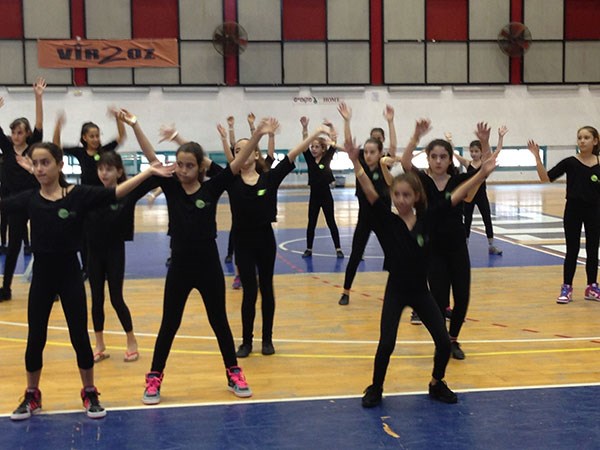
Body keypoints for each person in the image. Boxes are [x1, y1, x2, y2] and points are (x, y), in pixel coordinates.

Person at [5, 142, 173, 421]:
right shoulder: (29, 199)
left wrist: (147, 172)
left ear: (60, 165)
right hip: (42, 279)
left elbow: (115, 192)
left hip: (70, 275)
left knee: (80, 337)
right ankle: (32, 394)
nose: (40, 168)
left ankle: (90, 391)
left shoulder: (78, 195)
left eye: (45, 162)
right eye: (35, 164)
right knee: (35, 338)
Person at [120, 110, 274, 404]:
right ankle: (154, 377)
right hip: (180, 266)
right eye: (179, 164)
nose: (183, 170)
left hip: (208, 266)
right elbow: (151, 157)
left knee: (219, 322)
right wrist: (136, 124)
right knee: (169, 323)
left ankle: (233, 373)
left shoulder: (212, 187)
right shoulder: (170, 185)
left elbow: (237, 163)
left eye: (189, 165)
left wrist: (257, 135)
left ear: (200, 166)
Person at [344, 135, 498, 408]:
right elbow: (368, 189)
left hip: (420, 292)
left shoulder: (428, 219)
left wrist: (481, 174)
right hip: (396, 291)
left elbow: (456, 196)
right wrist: (355, 162)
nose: (401, 199)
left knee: (443, 342)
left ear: (416, 197)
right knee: (386, 343)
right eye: (397, 195)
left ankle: (437, 382)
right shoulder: (386, 219)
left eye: (406, 195)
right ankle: (376, 386)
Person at [229, 122, 331, 358]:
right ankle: (246, 342)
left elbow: (293, 153)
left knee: (267, 289)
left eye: (246, 149)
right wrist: (177, 138)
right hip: (242, 241)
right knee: (249, 292)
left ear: (256, 154)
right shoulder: (230, 180)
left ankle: (267, 339)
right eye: (237, 151)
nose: (241, 154)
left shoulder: (269, 178)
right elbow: (203, 162)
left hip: (265, 240)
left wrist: (315, 133)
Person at [400, 120, 493, 360]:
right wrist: (415, 136)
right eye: (434, 157)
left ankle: (453, 339)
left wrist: (484, 142)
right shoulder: (422, 181)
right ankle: (442, 342)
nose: (439, 161)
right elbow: (405, 162)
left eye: (443, 157)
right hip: (433, 250)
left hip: (457, 246)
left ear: (450, 159)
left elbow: (485, 168)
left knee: (462, 297)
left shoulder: (458, 181)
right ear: (428, 159)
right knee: (439, 300)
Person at [87, 151, 148, 363]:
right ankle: (99, 344)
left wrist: (152, 169)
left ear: (119, 172)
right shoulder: (91, 194)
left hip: (114, 251)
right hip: (93, 253)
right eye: (101, 169)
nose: (104, 173)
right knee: (96, 299)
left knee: (116, 298)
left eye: (109, 169)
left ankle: (131, 341)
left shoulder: (127, 194)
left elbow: (149, 181)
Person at [528, 127, 600, 304]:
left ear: (595, 141)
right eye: (579, 137)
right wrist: (537, 158)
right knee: (572, 250)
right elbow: (545, 178)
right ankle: (567, 287)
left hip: (595, 211)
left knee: (593, 250)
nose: (582, 141)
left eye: (586, 137)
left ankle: (592, 287)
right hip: (573, 210)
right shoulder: (570, 162)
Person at [337, 102, 393, 305]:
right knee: (355, 255)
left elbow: (393, 147)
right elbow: (348, 144)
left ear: (380, 153)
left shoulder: (385, 166)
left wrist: (391, 122)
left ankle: (401, 292)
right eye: (366, 151)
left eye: (372, 152)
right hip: (365, 218)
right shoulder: (360, 163)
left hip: (384, 220)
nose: (368, 155)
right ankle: (345, 292)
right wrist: (347, 121)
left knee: (394, 256)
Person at [0, 77, 46, 302]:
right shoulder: (7, 149)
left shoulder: (34, 147)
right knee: (14, 246)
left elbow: (39, 124)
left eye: (20, 132)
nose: (16, 136)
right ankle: (6, 287)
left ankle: (48, 286)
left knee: (41, 245)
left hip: (35, 200)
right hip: (15, 203)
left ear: (27, 134)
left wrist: (38, 97)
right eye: (13, 132)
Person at [450, 126, 508, 255]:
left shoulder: (485, 163)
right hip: (468, 197)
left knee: (487, 219)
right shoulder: (467, 163)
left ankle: (491, 245)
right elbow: (454, 154)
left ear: (481, 152)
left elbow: (498, 150)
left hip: (481, 196)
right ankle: (464, 245)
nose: (473, 153)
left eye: (476, 151)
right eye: (471, 151)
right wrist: (450, 142)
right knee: (467, 221)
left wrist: (500, 137)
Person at [299, 116, 343, 259]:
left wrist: (331, 127)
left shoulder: (327, 158)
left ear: (323, 149)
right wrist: (305, 128)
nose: (313, 149)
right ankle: (309, 248)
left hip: (326, 196)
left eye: (317, 146)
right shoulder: (309, 159)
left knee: (331, 222)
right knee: (311, 223)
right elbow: (304, 143)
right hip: (314, 196)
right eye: (312, 146)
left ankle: (338, 248)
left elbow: (334, 142)